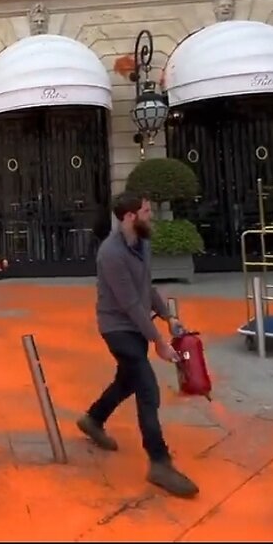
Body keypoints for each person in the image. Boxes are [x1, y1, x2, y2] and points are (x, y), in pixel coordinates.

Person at [77, 192, 199, 498]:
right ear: (130, 216)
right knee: (147, 387)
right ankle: (159, 462)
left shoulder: (142, 242)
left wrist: (168, 318)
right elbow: (130, 303)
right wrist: (157, 340)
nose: (150, 215)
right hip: (117, 328)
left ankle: (93, 419)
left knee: (128, 379)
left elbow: (146, 286)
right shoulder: (110, 254)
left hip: (136, 325)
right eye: (146, 211)